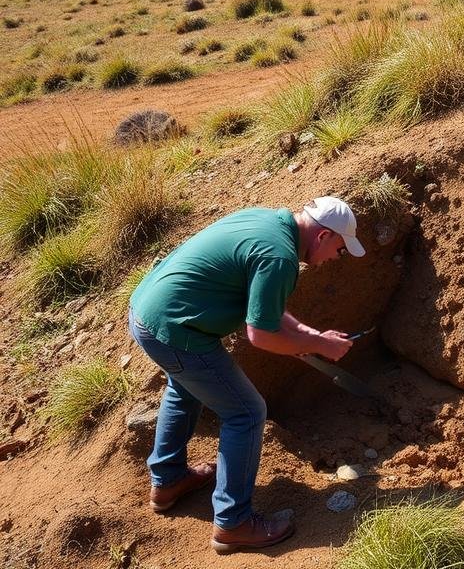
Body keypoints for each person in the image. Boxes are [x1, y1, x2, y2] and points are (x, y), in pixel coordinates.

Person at [127, 197, 366, 554]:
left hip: (148, 313)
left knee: (184, 388)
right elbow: (261, 333)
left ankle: (169, 480)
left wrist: (310, 337)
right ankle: (234, 523)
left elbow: (265, 306)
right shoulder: (280, 257)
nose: (336, 257)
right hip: (176, 330)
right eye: (340, 248)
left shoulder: (267, 224)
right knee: (247, 412)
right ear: (323, 236)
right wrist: (317, 345)